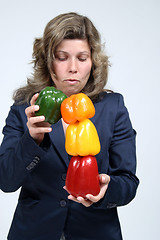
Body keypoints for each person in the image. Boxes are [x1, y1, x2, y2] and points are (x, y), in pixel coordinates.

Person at [0, 12, 139, 240]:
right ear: (48, 61)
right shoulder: (24, 108)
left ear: (93, 62)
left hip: (95, 233)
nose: (73, 68)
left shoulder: (113, 107)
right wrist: (32, 141)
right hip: (34, 233)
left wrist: (106, 189)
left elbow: (128, 182)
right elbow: (5, 181)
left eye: (82, 58)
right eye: (62, 57)